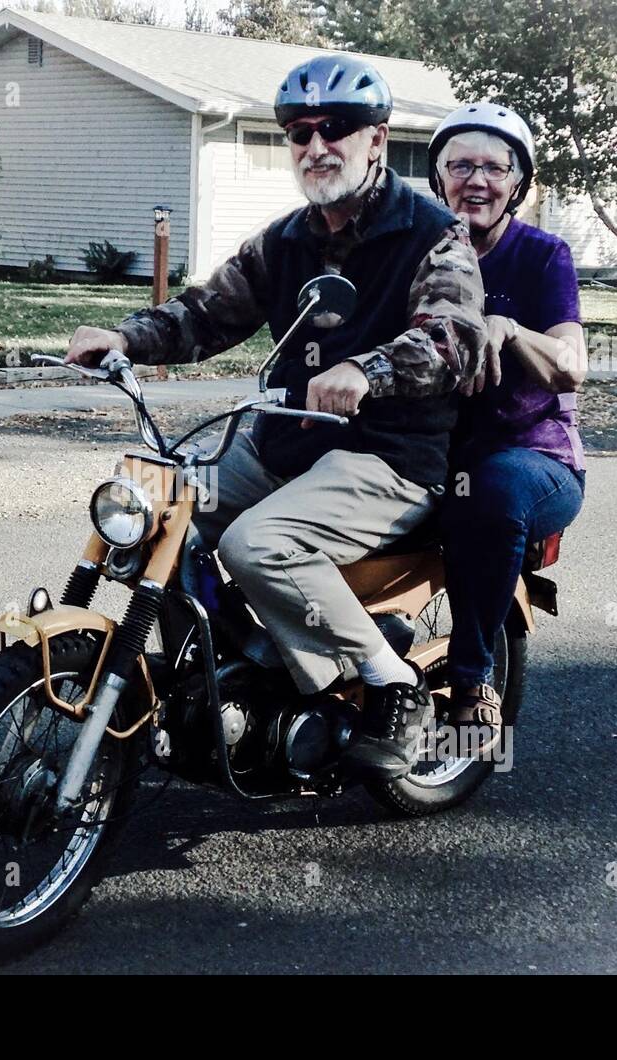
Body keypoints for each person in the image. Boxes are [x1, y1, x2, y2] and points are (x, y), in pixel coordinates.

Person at [65, 56, 489, 780]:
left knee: (260, 545)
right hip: (286, 442)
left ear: (377, 138)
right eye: (299, 132)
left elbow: (453, 341)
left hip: (386, 455)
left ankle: (392, 684)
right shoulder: (287, 238)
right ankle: (239, 668)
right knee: (160, 510)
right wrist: (126, 337)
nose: (316, 145)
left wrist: (368, 369)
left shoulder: (435, 235)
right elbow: (208, 310)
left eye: (338, 128)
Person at [426, 103, 588, 756]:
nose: (476, 178)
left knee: (488, 490)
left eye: (494, 165)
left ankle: (471, 683)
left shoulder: (543, 256)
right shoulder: (419, 250)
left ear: (517, 183)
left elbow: (571, 368)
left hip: (534, 456)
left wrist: (510, 330)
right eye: (459, 164)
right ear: (439, 180)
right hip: (436, 449)